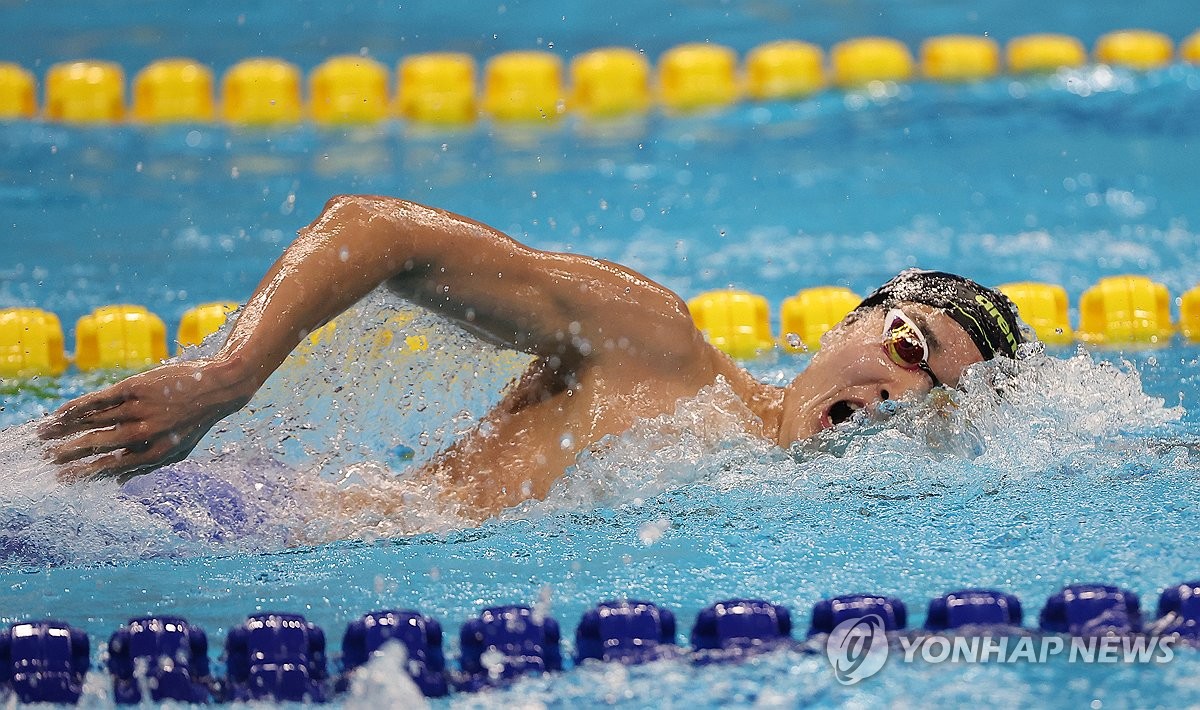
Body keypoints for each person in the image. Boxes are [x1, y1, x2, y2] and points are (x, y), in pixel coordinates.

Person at [38, 195, 1025, 521]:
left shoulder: (781, 508)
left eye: (939, 398)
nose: (903, 390)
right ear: (841, 328)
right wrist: (227, 374)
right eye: (907, 344)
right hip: (215, 515)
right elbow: (374, 229)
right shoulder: (658, 346)